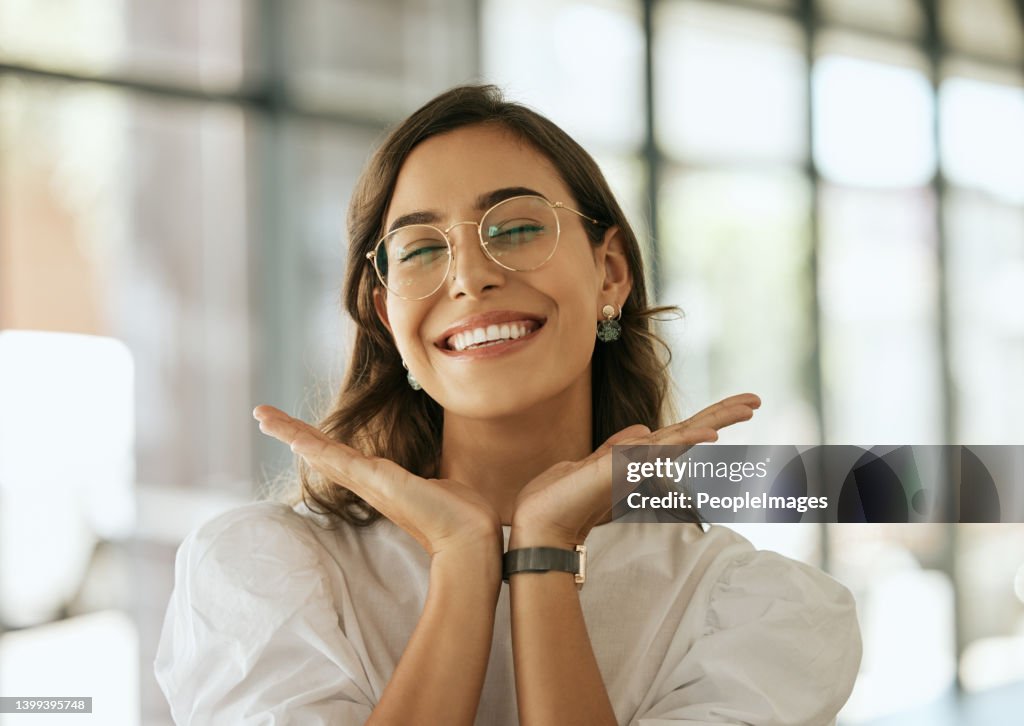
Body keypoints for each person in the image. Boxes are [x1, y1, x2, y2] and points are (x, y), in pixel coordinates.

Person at [154, 84, 861, 725]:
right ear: (386, 315)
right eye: (420, 249)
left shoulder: (756, 611)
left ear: (609, 272)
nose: (469, 276)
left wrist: (544, 552)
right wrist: (463, 561)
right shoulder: (261, 574)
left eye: (517, 229)